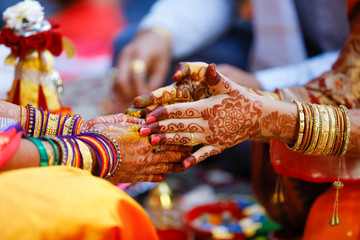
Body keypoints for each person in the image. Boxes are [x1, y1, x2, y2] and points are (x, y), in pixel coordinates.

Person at [129, 1, 360, 238]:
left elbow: (350, 95)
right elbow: (349, 81)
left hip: (324, 92)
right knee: (154, 55)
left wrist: (265, 111)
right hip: (309, 72)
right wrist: (160, 32)